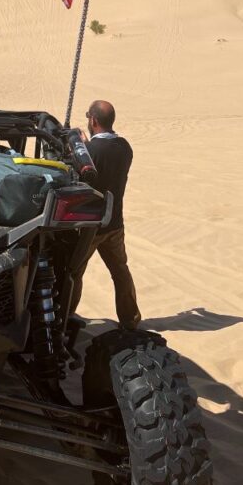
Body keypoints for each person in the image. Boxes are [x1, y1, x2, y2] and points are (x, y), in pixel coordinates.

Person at [71, 100, 141, 330]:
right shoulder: (125, 147)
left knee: (73, 271)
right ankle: (130, 319)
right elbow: (106, 158)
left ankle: (66, 315)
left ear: (93, 120)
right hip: (115, 224)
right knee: (120, 271)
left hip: (91, 227)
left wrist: (79, 149)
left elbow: (82, 175)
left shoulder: (90, 151)